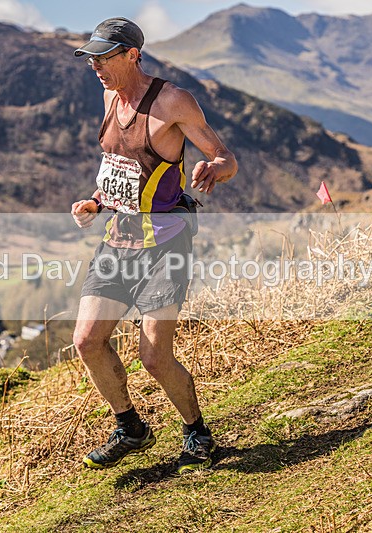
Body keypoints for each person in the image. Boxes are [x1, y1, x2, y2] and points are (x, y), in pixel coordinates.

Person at [70, 17, 237, 474]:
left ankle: (197, 433)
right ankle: (131, 429)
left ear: (132, 55)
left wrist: (214, 169)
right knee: (86, 341)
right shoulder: (108, 98)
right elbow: (120, 169)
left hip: (166, 243)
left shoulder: (172, 101)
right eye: (91, 59)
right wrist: (96, 201)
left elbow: (225, 157)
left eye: (104, 58)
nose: (95, 67)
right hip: (118, 240)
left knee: (154, 357)